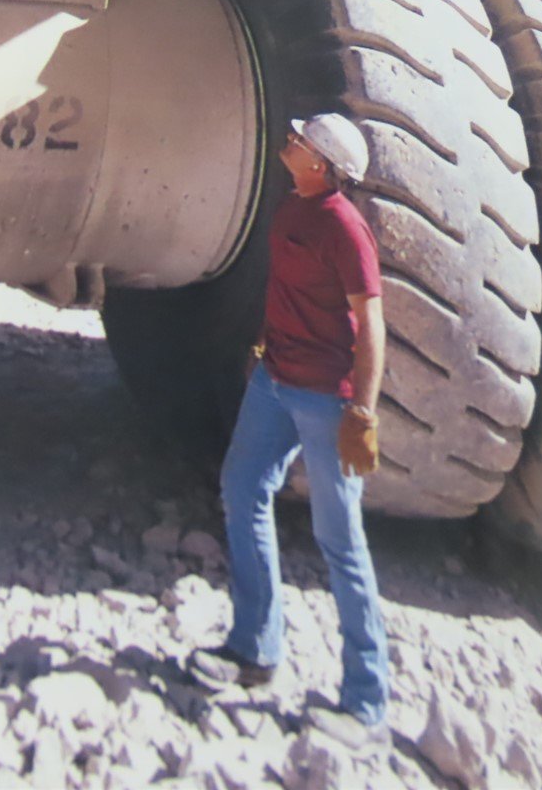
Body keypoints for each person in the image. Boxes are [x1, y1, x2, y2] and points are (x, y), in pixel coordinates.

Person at [186, 113, 390, 752]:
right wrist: (265, 349)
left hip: (327, 402)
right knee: (241, 488)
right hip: (273, 384)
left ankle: (366, 703)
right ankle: (254, 650)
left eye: (302, 141)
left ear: (321, 165)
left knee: (340, 542)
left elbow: (372, 327)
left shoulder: (344, 229)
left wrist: (362, 413)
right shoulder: (290, 210)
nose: (292, 142)